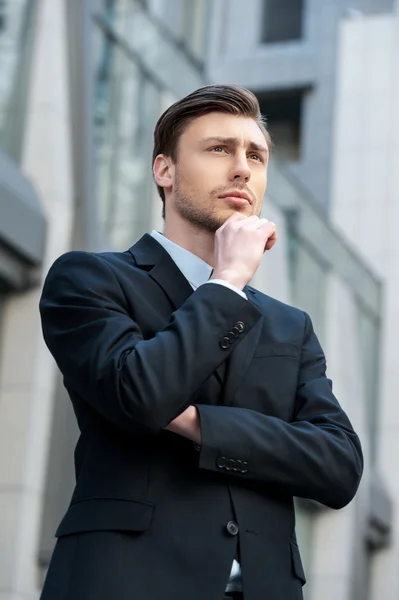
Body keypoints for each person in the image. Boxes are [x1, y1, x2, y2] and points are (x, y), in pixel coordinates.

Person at [39, 84, 363, 600]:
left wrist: (195, 423)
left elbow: (339, 467)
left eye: (255, 155)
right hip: (126, 580)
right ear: (164, 171)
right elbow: (142, 394)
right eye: (219, 149)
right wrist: (228, 279)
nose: (242, 169)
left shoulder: (289, 324)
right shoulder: (89, 279)